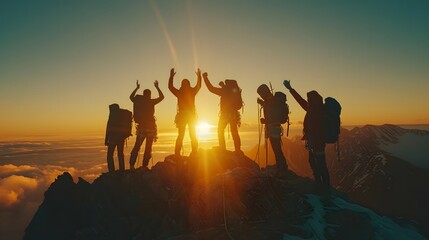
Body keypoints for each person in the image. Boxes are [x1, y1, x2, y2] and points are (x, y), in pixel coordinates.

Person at [283, 80, 330, 187]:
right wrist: (291, 89)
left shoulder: (315, 110)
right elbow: (300, 100)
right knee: (317, 162)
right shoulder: (315, 109)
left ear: (313, 100)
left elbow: (301, 101)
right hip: (316, 141)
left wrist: (290, 89)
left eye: (309, 99)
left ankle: (322, 184)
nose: (308, 101)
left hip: (316, 142)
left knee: (319, 163)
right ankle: (322, 183)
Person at [202, 72, 243, 154]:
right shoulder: (235, 92)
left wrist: (205, 78)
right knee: (234, 132)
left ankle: (222, 148)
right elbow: (239, 105)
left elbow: (211, 89)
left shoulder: (224, 91)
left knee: (220, 130)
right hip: (234, 114)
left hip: (225, 114)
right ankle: (238, 150)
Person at [129, 80, 164, 170]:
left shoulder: (137, 100)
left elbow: (131, 97)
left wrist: (137, 88)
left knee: (137, 146)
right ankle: (145, 166)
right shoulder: (151, 101)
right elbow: (162, 97)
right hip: (151, 128)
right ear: (149, 94)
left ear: (144, 94)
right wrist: (157, 87)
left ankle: (132, 165)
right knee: (148, 148)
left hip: (141, 128)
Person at [168, 68, 201, 157]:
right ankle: (194, 152)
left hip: (182, 116)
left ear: (182, 84)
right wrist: (199, 76)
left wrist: (171, 76)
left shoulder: (179, 92)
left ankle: (177, 154)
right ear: (189, 84)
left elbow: (170, 87)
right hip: (191, 116)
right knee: (192, 134)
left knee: (180, 135)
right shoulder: (192, 91)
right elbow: (199, 86)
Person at [256, 84, 288, 173]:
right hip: (274, 128)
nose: (261, 96)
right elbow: (269, 107)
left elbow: (273, 116)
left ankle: (282, 168)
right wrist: (261, 102)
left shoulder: (272, 101)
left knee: (277, 149)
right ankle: (281, 166)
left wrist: (265, 121)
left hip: (273, 128)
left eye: (261, 94)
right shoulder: (271, 100)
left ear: (264, 92)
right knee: (277, 149)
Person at [105, 103, 129, 173]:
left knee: (110, 155)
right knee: (120, 154)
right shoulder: (122, 115)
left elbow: (108, 128)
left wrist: (106, 140)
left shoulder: (112, 115)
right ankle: (122, 170)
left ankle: (111, 171)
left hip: (113, 138)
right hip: (121, 138)